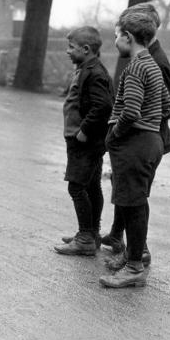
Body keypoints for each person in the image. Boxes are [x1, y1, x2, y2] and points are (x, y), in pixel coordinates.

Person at [99, 12, 170, 288]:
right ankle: (132, 258)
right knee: (134, 203)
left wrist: (113, 136)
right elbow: (167, 106)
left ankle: (134, 267)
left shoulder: (134, 68)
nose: (115, 42)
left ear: (128, 37)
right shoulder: (151, 64)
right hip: (152, 140)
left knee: (133, 205)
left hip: (135, 144)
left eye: (116, 36)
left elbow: (129, 112)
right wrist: (151, 120)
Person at [53, 27, 114, 256]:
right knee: (91, 185)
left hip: (85, 141)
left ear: (86, 49)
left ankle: (86, 237)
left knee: (76, 186)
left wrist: (84, 131)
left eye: (72, 47)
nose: (68, 51)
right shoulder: (86, 68)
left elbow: (103, 106)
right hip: (86, 141)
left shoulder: (95, 73)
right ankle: (91, 232)